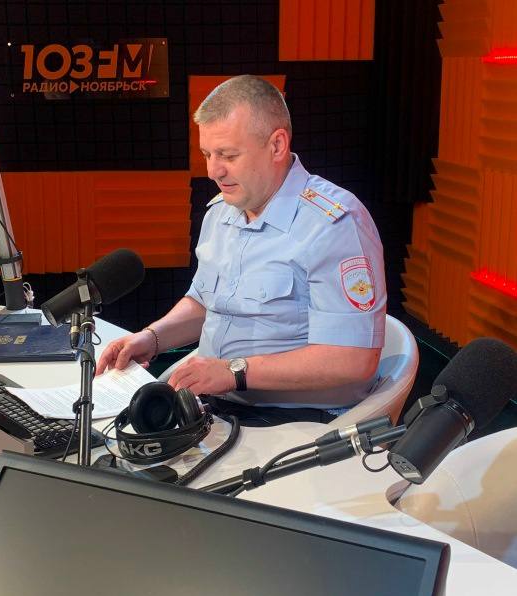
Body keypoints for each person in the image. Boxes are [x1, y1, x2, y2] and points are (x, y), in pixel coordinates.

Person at [95, 75, 386, 426]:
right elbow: (205, 302)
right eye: (207, 154)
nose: (213, 171)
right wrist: (152, 338)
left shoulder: (334, 224)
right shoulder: (221, 212)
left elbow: (354, 360)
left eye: (228, 155)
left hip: (298, 421)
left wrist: (234, 372)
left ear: (277, 145)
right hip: (214, 407)